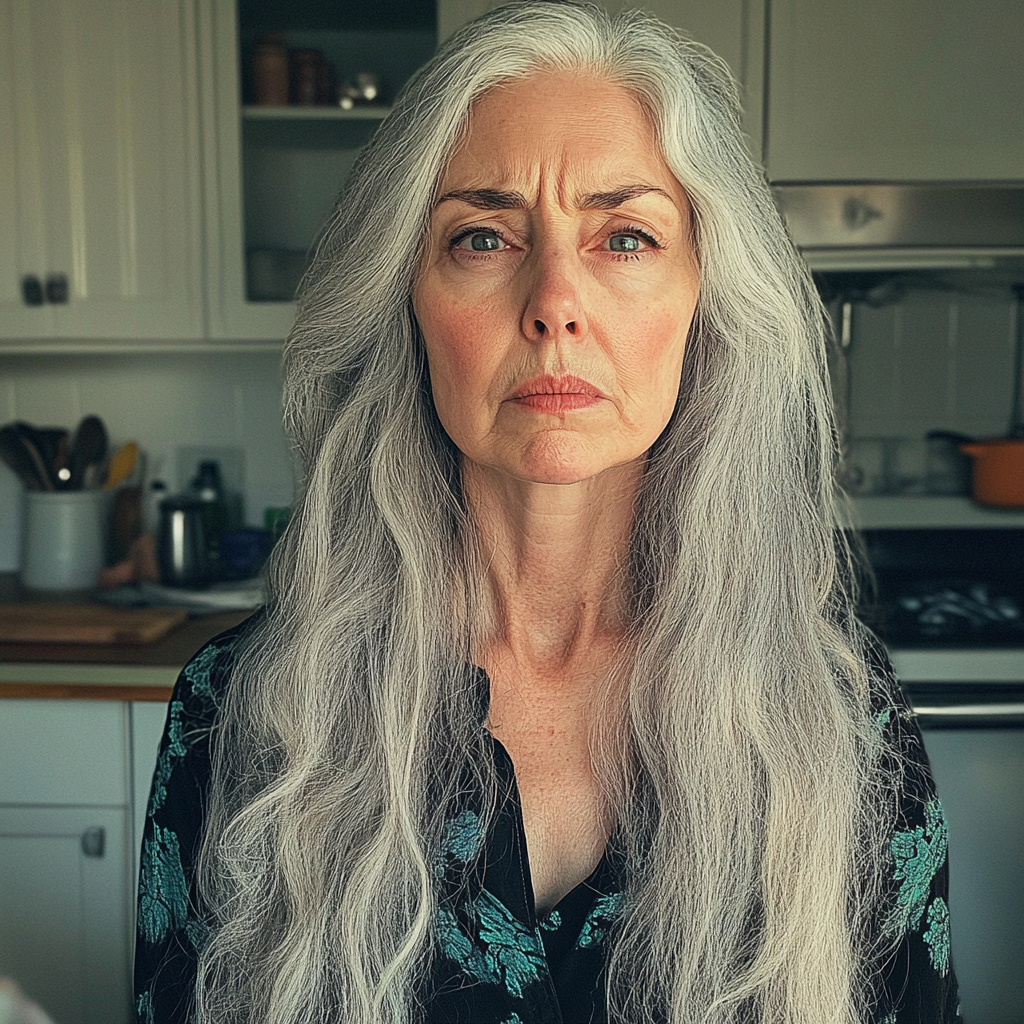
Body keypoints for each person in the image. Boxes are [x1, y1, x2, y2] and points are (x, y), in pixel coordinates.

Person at [133, 4, 961, 1022]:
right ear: (405, 300)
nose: (555, 299)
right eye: (482, 236)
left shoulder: (841, 725)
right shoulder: (244, 714)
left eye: (625, 235)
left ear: (706, 300)